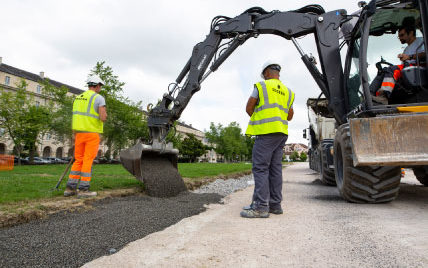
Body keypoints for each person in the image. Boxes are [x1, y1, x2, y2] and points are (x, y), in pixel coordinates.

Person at [240, 61, 295, 218]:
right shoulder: (288, 92)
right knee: (275, 169)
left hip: (266, 133)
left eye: (264, 74)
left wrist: (261, 119)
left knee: (261, 168)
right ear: (278, 73)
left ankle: (261, 207)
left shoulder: (261, 86)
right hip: (281, 134)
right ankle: (275, 205)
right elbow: (290, 116)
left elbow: (249, 108)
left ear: (266, 73)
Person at [64, 75, 107, 198]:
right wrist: (104, 115)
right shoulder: (99, 98)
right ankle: (83, 189)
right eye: (100, 86)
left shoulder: (78, 98)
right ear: (97, 85)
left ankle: (70, 188)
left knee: (78, 160)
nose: (100, 88)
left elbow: (76, 116)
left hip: (78, 134)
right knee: (88, 160)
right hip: (92, 134)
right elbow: (103, 117)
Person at [372, 16, 425, 104]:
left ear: (411, 33)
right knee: (384, 71)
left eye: (402, 35)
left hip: (419, 69)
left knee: (392, 70)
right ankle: (370, 94)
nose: (400, 38)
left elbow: (425, 54)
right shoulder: (406, 49)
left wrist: (409, 57)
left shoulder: (421, 41)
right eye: (399, 36)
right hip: (409, 70)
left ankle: (384, 96)